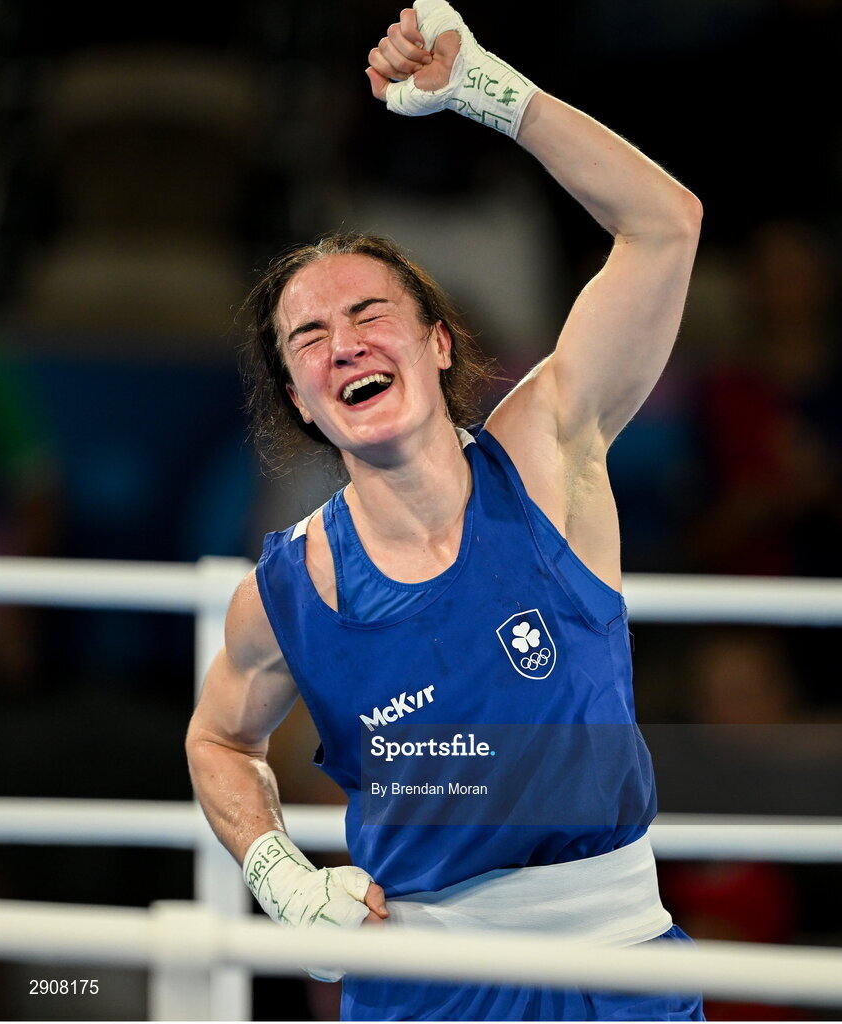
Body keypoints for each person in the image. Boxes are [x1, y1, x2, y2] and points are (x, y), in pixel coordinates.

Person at [186, 1, 704, 1019]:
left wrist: (490, 94)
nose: (344, 343)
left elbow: (663, 225)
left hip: (620, 964)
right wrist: (277, 870)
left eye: (369, 312)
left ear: (434, 345)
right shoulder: (286, 590)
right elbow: (218, 740)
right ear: (299, 397)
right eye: (310, 337)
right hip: (417, 985)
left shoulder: (549, 453)